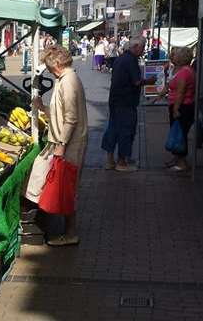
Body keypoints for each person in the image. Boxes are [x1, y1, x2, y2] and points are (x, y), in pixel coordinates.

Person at [32, 45, 88, 246]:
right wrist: (43, 108)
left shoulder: (68, 82)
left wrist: (62, 145)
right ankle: (67, 230)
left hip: (71, 144)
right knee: (66, 187)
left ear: (56, 63)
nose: (48, 69)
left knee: (67, 188)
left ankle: (70, 233)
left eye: (48, 65)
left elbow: (71, 118)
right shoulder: (65, 80)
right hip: (68, 142)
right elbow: (61, 113)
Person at [101, 36, 157, 171]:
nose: (143, 50)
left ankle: (109, 160)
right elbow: (136, 82)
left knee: (113, 128)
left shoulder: (120, 59)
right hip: (126, 101)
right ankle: (122, 162)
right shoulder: (131, 60)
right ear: (135, 47)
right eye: (142, 47)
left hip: (115, 100)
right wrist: (149, 81)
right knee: (126, 130)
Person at [152, 47, 196, 171]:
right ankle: (177, 158)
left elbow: (181, 93)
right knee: (177, 132)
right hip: (177, 105)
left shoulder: (185, 72)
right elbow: (169, 85)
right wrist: (157, 97)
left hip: (183, 107)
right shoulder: (178, 70)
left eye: (175, 55)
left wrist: (176, 109)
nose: (172, 57)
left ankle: (182, 163)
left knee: (180, 134)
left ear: (182, 57)